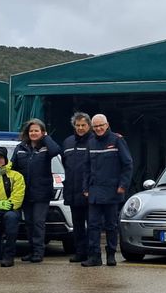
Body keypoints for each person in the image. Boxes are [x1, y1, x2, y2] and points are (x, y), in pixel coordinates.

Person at [82, 114, 132, 267]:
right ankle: (95, 256)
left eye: (101, 125)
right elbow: (86, 168)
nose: (98, 129)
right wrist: (85, 188)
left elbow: (127, 164)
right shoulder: (90, 143)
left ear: (107, 124)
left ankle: (111, 255)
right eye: (95, 126)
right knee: (93, 225)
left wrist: (123, 185)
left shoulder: (117, 140)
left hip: (112, 191)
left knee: (111, 225)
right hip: (95, 192)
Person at [11, 118, 61, 263]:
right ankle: (31, 250)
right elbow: (13, 168)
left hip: (42, 193)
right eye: (31, 130)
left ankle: (39, 252)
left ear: (42, 132)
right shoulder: (20, 147)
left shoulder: (46, 147)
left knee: (39, 223)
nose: (33, 133)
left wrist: (46, 138)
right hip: (25, 193)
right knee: (29, 223)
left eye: (37, 131)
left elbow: (56, 150)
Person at [60, 112, 93, 263]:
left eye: (83, 125)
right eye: (77, 125)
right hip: (72, 190)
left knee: (92, 225)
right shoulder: (67, 142)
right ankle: (80, 252)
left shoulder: (94, 141)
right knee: (77, 225)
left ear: (89, 126)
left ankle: (92, 253)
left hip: (89, 191)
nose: (80, 128)